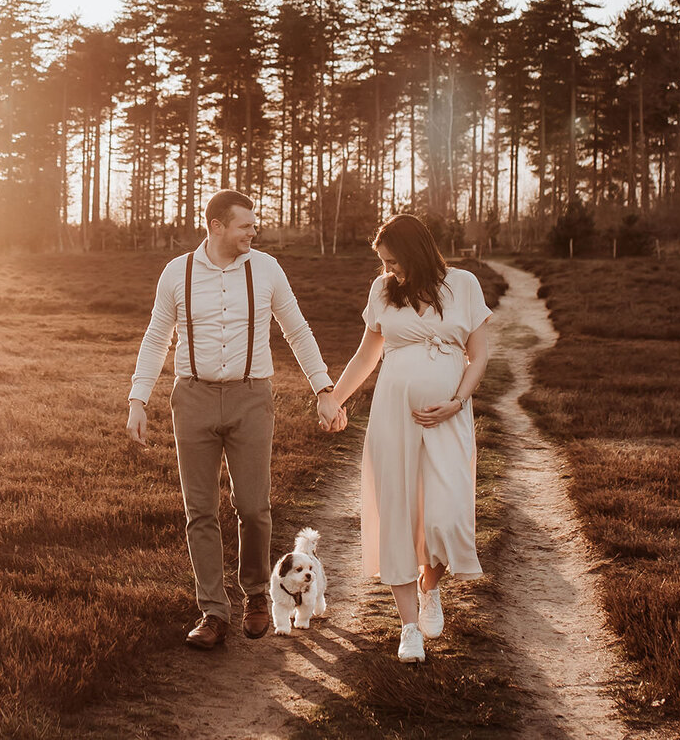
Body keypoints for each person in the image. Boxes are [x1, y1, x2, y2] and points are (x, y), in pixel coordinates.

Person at [127, 190, 342, 650]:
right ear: (217, 225)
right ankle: (212, 613)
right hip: (193, 397)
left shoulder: (266, 268)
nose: (253, 231)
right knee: (199, 511)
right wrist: (137, 400)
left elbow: (296, 328)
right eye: (245, 225)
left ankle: (259, 596)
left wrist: (324, 389)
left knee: (253, 507)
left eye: (253, 225)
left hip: (251, 397)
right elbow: (155, 336)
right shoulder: (176, 273)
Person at [325, 214, 491, 663]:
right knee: (398, 510)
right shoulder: (382, 291)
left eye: (394, 261)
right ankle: (408, 628)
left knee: (446, 514)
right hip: (393, 415)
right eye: (383, 263)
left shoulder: (465, 284)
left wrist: (457, 400)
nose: (389, 270)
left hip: (448, 417)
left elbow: (479, 355)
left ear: (417, 252)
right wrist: (333, 398)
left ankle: (430, 587)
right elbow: (366, 354)